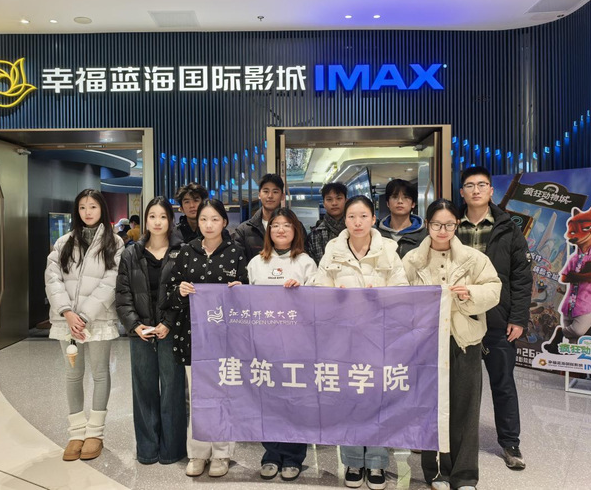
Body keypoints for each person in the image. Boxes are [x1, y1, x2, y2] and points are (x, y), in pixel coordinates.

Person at [402, 198, 502, 490]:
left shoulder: (473, 258)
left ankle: (465, 475)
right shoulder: (412, 260)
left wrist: (469, 293)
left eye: (448, 224)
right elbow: (399, 296)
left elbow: (494, 288)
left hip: (464, 340)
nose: (442, 230)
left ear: (457, 224)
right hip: (426, 343)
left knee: (466, 409)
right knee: (430, 408)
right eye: (436, 224)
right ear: (427, 225)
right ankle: (436, 473)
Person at [314, 195, 408, 490]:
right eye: (352, 216)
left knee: (378, 400)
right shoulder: (333, 250)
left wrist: (380, 297)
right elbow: (318, 289)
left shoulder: (389, 250)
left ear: (373, 219)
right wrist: (336, 297)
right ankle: (353, 460)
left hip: (379, 337)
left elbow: (402, 290)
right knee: (349, 399)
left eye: (364, 216)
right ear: (345, 220)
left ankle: (377, 462)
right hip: (343, 339)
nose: (357, 222)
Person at [163, 198, 248, 478]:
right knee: (198, 397)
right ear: (196, 222)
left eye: (214, 219)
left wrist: (240, 289)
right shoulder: (186, 252)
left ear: (224, 222)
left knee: (223, 395)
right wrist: (180, 292)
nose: (208, 225)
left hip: (226, 339)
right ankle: (198, 453)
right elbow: (170, 294)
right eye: (203, 219)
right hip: (193, 336)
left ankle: (221, 453)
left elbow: (248, 296)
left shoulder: (236, 253)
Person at [457, 166, 532, 471]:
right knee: (459, 384)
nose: (475, 190)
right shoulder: (451, 225)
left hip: (498, 318)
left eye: (482, 185)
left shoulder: (508, 227)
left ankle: (510, 443)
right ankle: (456, 438)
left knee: (502, 383)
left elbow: (522, 276)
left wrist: (518, 317)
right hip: (459, 318)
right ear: (462, 192)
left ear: (491, 191)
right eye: (469, 185)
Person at [45, 189, 124, 462]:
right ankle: (76, 433)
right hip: (66, 321)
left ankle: (95, 433)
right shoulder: (63, 242)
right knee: (72, 375)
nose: (87, 212)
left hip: (98, 319)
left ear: (102, 209)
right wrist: (67, 312)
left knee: (100, 374)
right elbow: (52, 280)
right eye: (82, 207)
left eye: (92, 206)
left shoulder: (115, 243)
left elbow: (112, 282)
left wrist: (85, 316)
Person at [247, 207, 317, 482]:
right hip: (266, 343)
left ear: (295, 230)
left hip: (298, 343)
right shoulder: (256, 263)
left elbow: (319, 302)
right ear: (269, 231)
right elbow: (247, 300)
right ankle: (271, 453)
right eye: (275, 225)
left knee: (296, 399)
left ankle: (293, 456)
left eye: (287, 225)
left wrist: (302, 292)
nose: (280, 229)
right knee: (269, 399)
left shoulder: (306, 263)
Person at [115, 197, 187, 465]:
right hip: (141, 332)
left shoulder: (182, 251)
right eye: (152, 216)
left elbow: (185, 293)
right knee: (143, 390)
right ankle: (146, 449)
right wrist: (135, 325)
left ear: (171, 220)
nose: (157, 222)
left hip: (171, 330)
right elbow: (122, 294)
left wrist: (168, 322)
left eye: (163, 217)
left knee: (173, 390)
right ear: (145, 220)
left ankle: (173, 450)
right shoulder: (131, 253)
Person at [235, 173, 291, 261]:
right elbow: (239, 263)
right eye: (266, 191)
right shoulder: (243, 231)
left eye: (275, 192)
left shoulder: (294, 227)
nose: (270, 196)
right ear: (259, 195)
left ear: (282, 196)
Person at [377, 178, 427, 258]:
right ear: (387, 203)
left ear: (413, 204)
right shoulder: (377, 234)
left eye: (405, 197)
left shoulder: (424, 236)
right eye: (395, 197)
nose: (400, 201)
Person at [305, 182, 348, 265]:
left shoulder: (356, 230)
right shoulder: (315, 236)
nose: (334, 203)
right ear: (324, 204)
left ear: (346, 201)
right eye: (329, 199)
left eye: (339, 198)